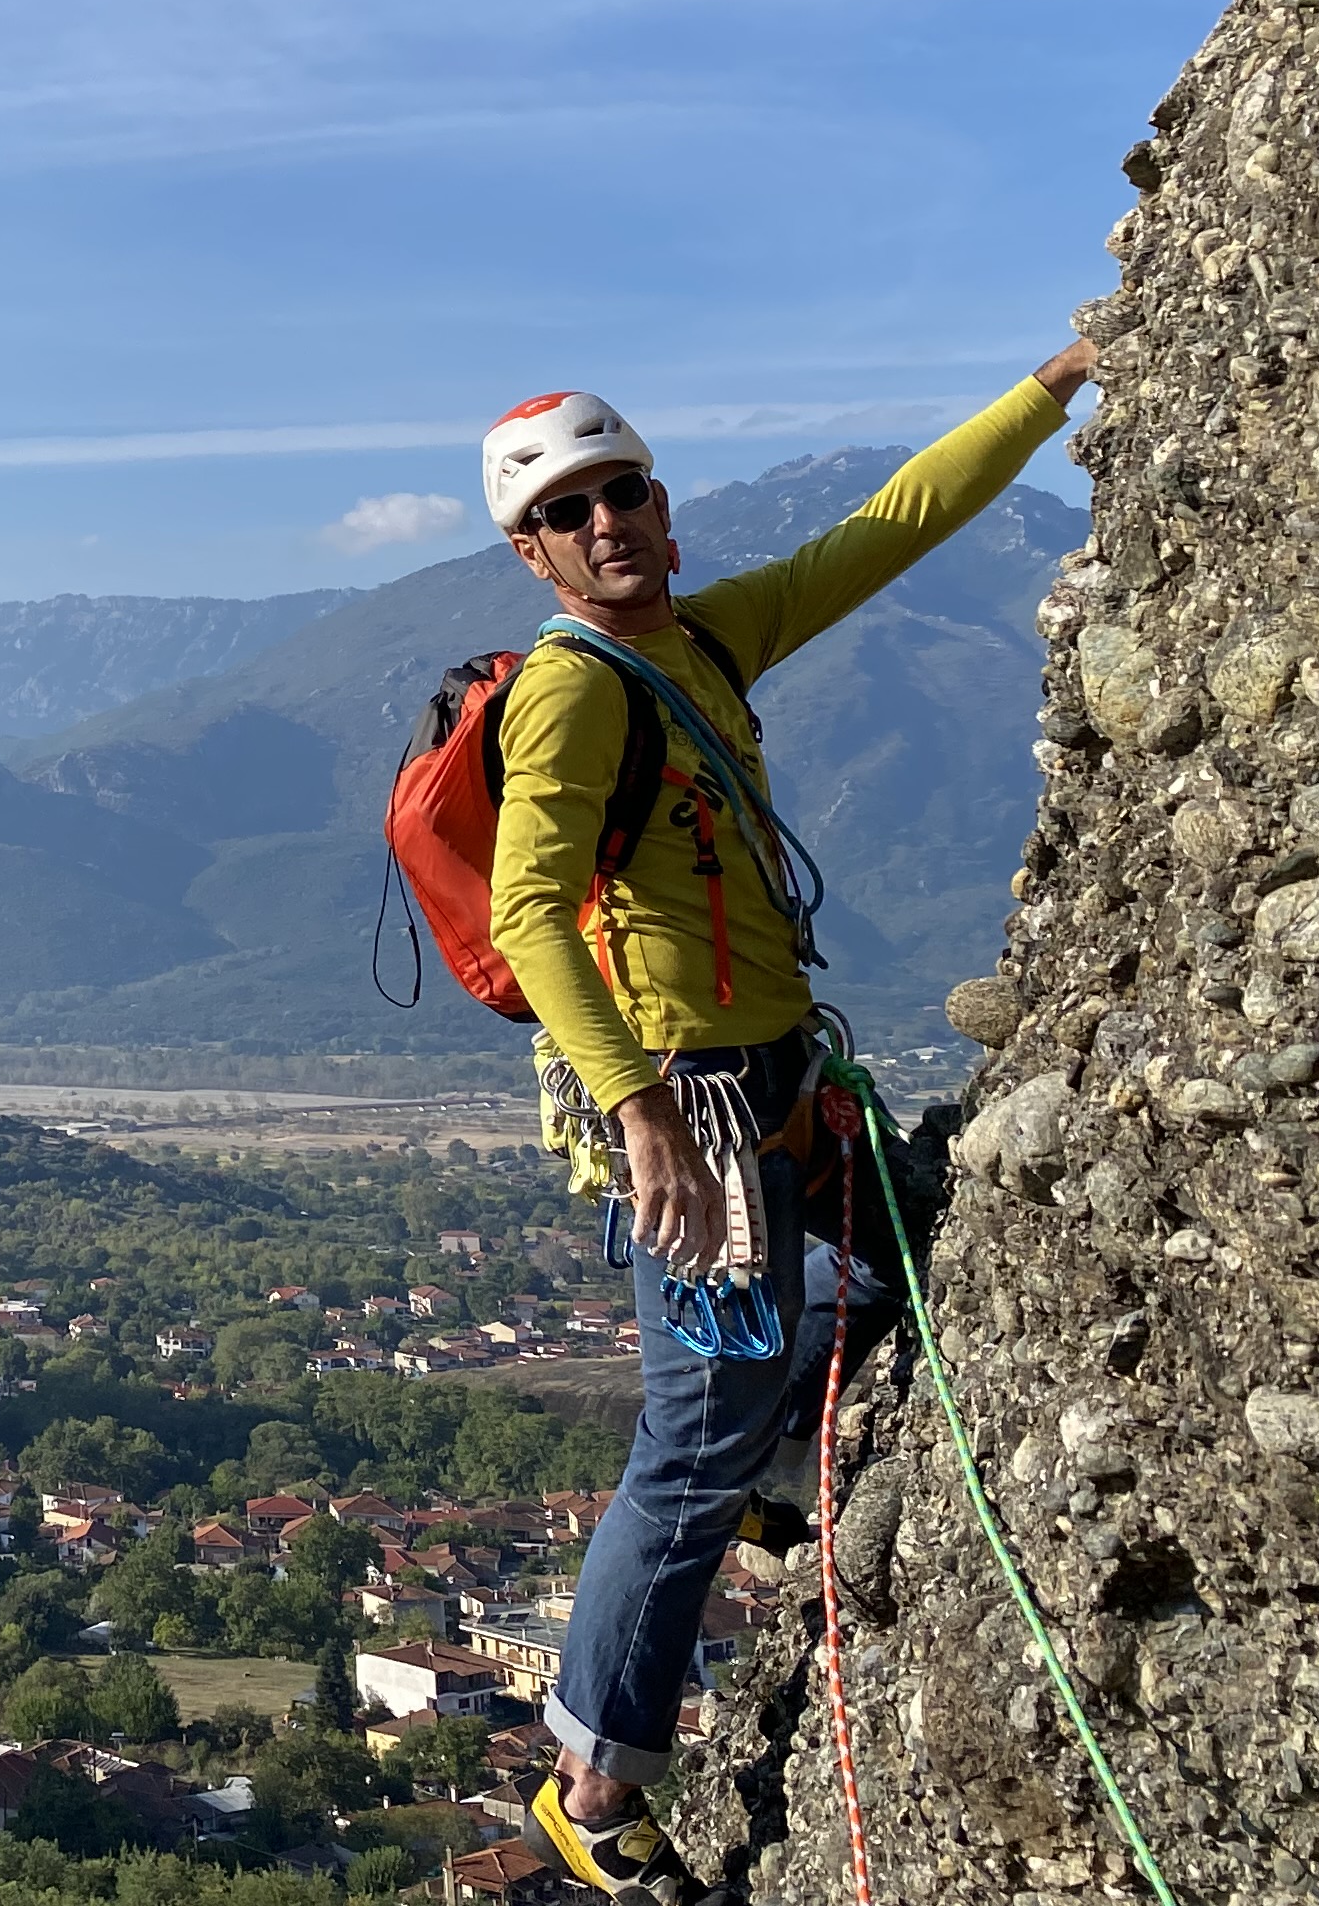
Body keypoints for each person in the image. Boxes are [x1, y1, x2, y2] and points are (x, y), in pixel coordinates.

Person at [484, 345, 1097, 1901]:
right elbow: (530, 910)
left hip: (772, 1082)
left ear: (663, 512)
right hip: (687, 1102)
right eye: (569, 510)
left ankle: (770, 1483)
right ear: (533, 552)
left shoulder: (701, 638)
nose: (605, 521)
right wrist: (638, 1114)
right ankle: (588, 1784)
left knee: (902, 1255)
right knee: (686, 1452)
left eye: (622, 490)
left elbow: (879, 530)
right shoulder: (569, 692)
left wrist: (1050, 389)